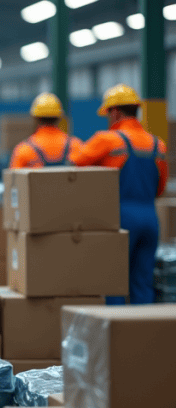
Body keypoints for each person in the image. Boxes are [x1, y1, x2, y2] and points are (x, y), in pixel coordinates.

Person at [71, 83, 167, 305]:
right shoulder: (157, 144)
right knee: (142, 283)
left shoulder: (107, 140)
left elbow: (72, 166)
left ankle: (115, 335)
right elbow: (160, 189)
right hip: (150, 219)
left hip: (120, 219)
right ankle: (142, 335)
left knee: (113, 282)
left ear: (114, 112)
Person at [9, 93, 82, 168]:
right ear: (60, 117)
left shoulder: (23, 150)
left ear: (35, 118)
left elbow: (14, 178)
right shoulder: (76, 146)